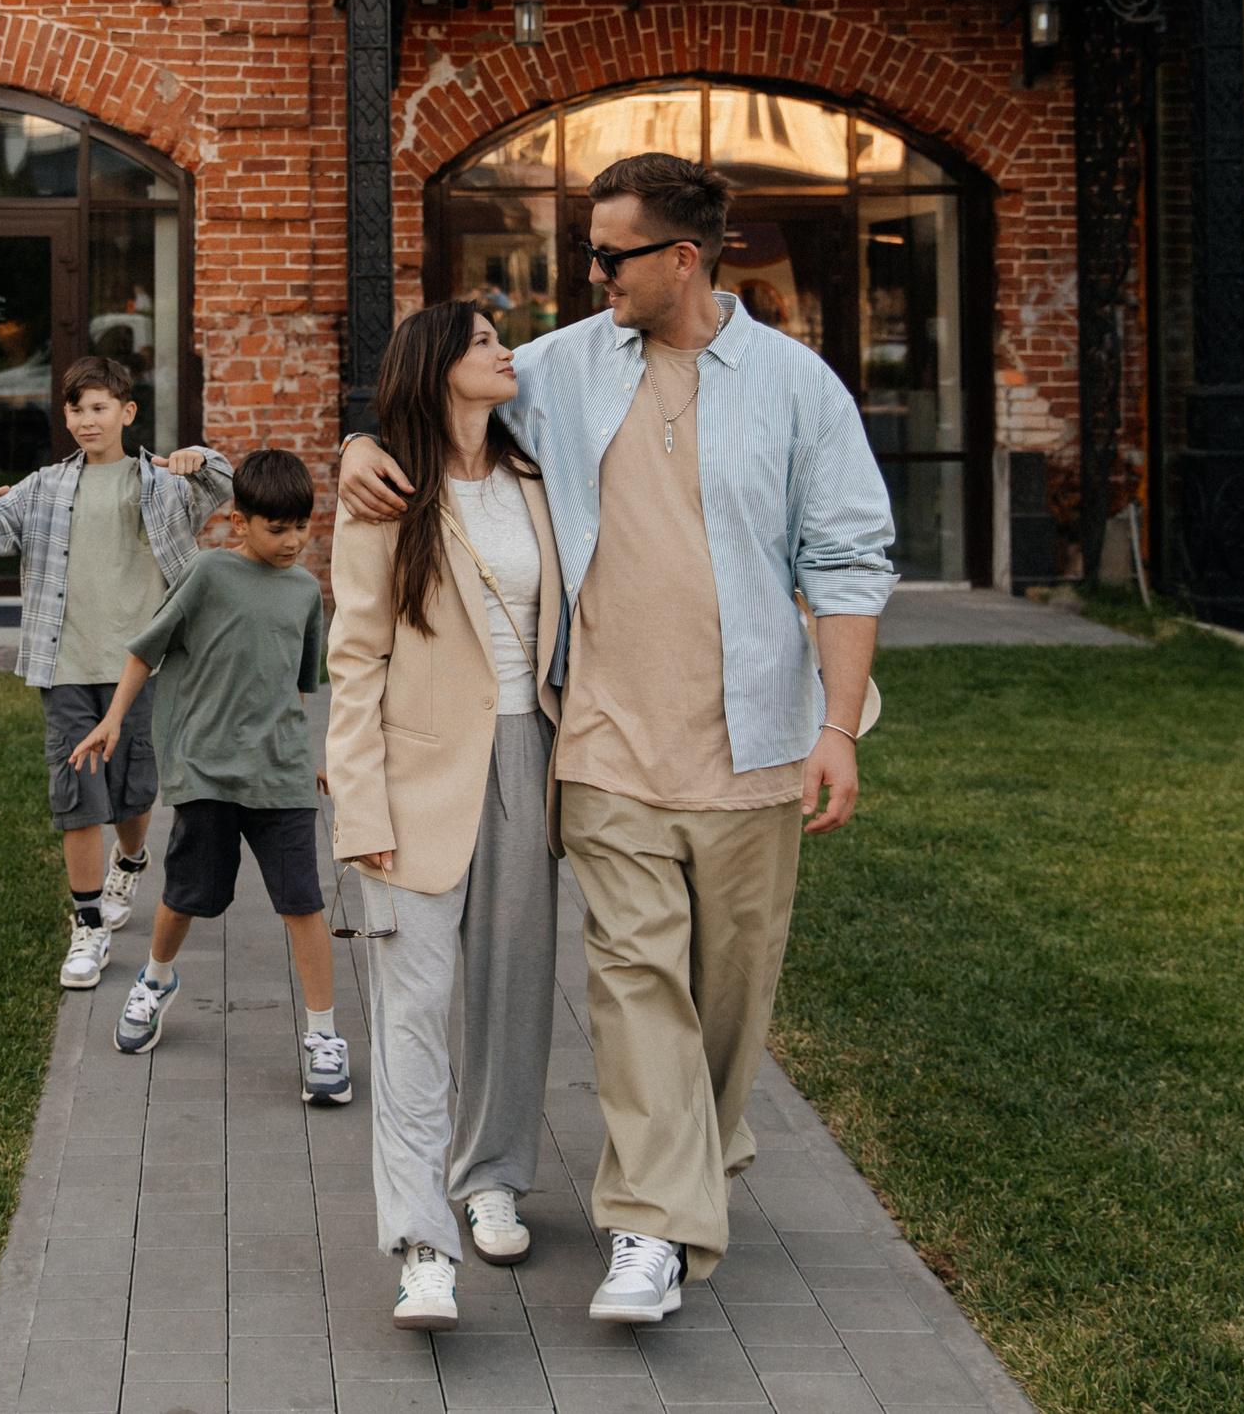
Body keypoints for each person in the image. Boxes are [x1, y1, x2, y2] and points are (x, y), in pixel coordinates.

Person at [339, 153, 894, 1322]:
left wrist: (837, 726)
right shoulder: (559, 368)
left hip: (755, 742)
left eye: (608, 256)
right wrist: (354, 448)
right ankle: (648, 1229)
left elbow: (849, 562)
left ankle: (694, 1157)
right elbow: (433, 403)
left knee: (727, 1001)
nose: (588, 273)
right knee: (636, 984)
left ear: (681, 260)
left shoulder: (799, 389)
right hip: (598, 745)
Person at [326, 302, 565, 1332]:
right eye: (482, 341)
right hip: (414, 773)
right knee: (413, 1011)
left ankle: (493, 1175)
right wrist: (359, 803)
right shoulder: (385, 491)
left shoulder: (538, 470)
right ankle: (423, 1246)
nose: (506, 352)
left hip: (529, 754)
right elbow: (354, 657)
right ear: (434, 369)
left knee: (515, 988)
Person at [67, 450, 348, 1106]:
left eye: (301, 526)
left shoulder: (306, 592)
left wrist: (303, 753)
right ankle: (156, 979)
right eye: (277, 528)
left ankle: (323, 1036)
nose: (293, 540)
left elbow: (294, 685)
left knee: (303, 901)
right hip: (207, 772)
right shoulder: (208, 573)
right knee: (187, 894)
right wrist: (113, 718)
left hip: (279, 776)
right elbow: (147, 649)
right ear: (239, 523)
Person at [0, 356, 233, 992]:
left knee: (132, 791)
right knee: (77, 793)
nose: (86, 420)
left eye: (99, 408)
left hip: (143, 665)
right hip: (66, 664)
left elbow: (222, 485)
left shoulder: (161, 483)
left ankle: (129, 860)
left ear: (127, 413)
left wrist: (198, 458)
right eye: (76, 409)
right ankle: (87, 925)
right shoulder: (44, 486)